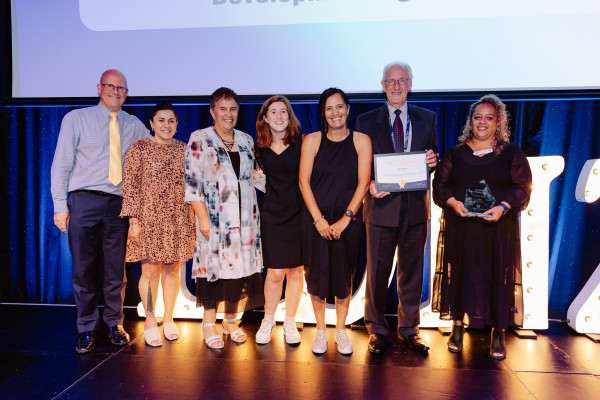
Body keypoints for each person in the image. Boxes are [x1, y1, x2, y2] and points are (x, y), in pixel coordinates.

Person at [51, 69, 150, 353]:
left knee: (116, 271)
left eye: (122, 89)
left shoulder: (133, 124)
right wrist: (60, 206)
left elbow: (157, 147)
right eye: (111, 86)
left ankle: (113, 323)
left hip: (118, 204)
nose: (116, 92)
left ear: (127, 94)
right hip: (84, 201)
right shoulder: (76, 119)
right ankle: (86, 327)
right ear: (99, 87)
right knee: (82, 269)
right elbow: (61, 164)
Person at [432, 94, 532, 359]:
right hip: (462, 228)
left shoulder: (512, 153)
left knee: (498, 279)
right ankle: (456, 327)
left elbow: (522, 188)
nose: (482, 122)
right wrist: (453, 202)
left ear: (498, 121)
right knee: (461, 276)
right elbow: (439, 185)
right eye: (478, 117)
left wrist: (502, 207)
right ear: (471, 121)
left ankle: (498, 333)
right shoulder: (456, 153)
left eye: (489, 117)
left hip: (497, 229)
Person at [355, 61, 438, 354]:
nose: (396, 86)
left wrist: (432, 161)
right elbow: (360, 165)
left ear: (411, 84)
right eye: (391, 81)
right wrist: (369, 186)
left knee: (412, 272)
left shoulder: (428, 118)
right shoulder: (365, 122)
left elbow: (430, 159)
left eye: (402, 81)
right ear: (382, 85)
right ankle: (376, 329)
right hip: (380, 207)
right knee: (377, 273)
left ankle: (409, 329)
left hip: (416, 208)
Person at [185, 87, 264, 349]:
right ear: (212, 111)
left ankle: (230, 321)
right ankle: (209, 325)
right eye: (222, 108)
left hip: (245, 220)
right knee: (213, 272)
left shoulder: (245, 139)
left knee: (239, 274)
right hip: (215, 220)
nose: (228, 114)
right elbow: (192, 183)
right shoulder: (200, 138)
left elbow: (254, 176)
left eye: (233, 109)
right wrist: (203, 220)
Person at [299, 88, 372, 355]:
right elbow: (303, 182)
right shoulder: (312, 141)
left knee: (344, 276)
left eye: (339, 107)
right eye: (329, 108)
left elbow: (363, 183)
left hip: (348, 222)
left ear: (348, 109)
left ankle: (341, 331)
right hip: (315, 221)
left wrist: (346, 219)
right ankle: (320, 331)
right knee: (316, 277)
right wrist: (318, 219)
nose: (335, 113)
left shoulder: (362, 140)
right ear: (323, 113)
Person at [120, 103, 195, 347]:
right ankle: (151, 319)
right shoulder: (139, 148)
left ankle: (169, 318)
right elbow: (130, 186)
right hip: (148, 219)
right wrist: (133, 220)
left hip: (179, 218)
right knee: (150, 271)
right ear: (151, 124)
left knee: (173, 271)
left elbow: (194, 185)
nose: (166, 125)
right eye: (160, 120)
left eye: (171, 120)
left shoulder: (185, 150)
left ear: (177, 123)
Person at [254, 96, 304, 345]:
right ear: (264, 118)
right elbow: (255, 180)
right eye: (273, 112)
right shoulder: (258, 148)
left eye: (283, 111)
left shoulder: (302, 143)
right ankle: (268, 319)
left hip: (299, 215)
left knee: (295, 271)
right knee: (274, 273)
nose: (279, 116)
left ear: (289, 115)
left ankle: (290, 322)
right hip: (272, 215)